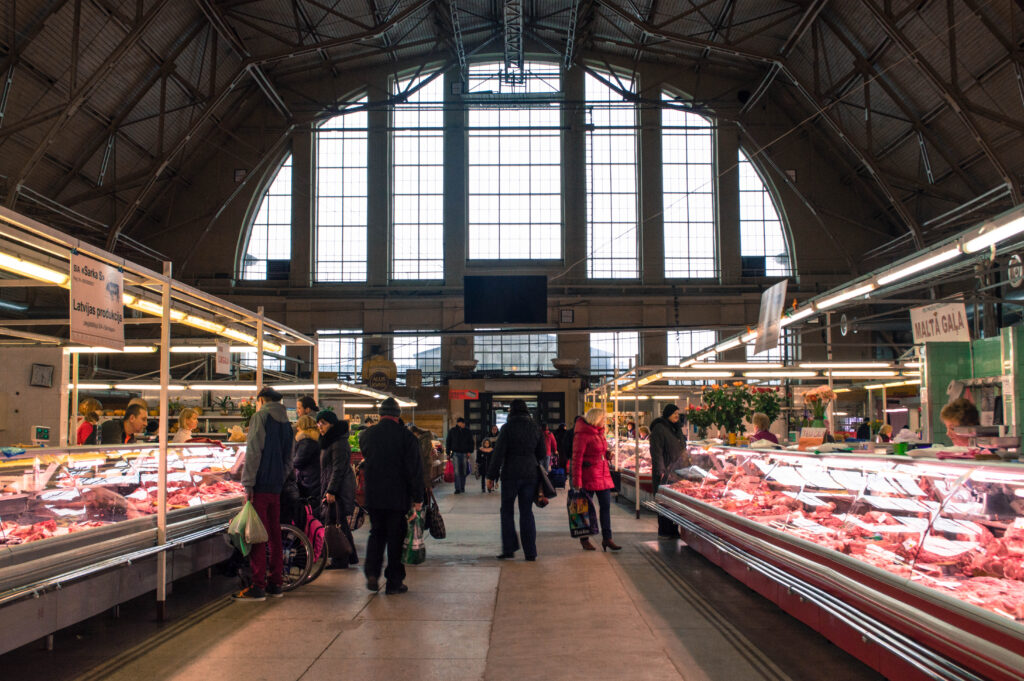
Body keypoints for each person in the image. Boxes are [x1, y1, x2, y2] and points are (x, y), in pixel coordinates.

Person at [359, 398, 424, 595]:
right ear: (398, 415)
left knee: (376, 533)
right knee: (396, 538)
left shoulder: (366, 435)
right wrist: (418, 498)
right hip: (397, 497)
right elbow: (415, 470)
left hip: (374, 495)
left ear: (380, 414)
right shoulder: (407, 438)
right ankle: (394, 582)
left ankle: (372, 573)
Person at [234, 386, 293, 601]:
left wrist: (248, 484)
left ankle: (258, 585)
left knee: (257, 535)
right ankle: (275, 583)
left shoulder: (260, 418)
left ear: (261, 400)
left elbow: (253, 452)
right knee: (275, 535)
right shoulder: (287, 424)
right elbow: (289, 458)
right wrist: (279, 478)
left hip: (259, 486)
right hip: (276, 487)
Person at [487, 399, 546, 561]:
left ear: (511, 411)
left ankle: (509, 548)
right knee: (527, 511)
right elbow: (542, 453)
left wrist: (491, 476)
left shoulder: (507, 428)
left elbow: (498, 453)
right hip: (530, 474)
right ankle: (530, 552)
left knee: (506, 511)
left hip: (510, 474)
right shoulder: (535, 428)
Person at [571, 408, 620, 552]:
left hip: (603, 475)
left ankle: (607, 538)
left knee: (605, 507)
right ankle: (584, 538)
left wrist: (607, 453)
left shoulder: (600, 433)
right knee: (583, 509)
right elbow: (577, 459)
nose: (605, 421)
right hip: (588, 476)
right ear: (596, 418)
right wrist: (577, 481)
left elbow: (600, 450)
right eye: (603, 418)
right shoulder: (582, 435)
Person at [317, 410, 358, 569]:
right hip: (333, 486)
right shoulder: (330, 441)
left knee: (336, 523)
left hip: (338, 489)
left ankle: (341, 558)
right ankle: (345, 557)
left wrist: (331, 490)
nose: (320, 426)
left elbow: (338, 468)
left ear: (332, 424)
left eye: (324, 423)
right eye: (318, 423)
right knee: (338, 523)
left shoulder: (338, 442)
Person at [649, 404, 687, 539]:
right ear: (667, 414)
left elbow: (682, 448)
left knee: (674, 502)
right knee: (663, 501)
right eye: (674, 413)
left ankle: (673, 529)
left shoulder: (677, 429)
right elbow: (656, 451)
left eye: (678, 413)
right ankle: (664, 529)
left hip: (677, 471)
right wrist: (661, 470)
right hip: (664, 470)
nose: (677, 416)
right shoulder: (659, 428)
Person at [293, 414, 321, 499]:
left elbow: (298, 462)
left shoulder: (306, 441)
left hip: (308, 479)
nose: (297, 429)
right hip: (315, 477)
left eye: (298, 426)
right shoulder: (315, 439)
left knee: (309, 504)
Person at [445, 417, 475, 494]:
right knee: (457, 471)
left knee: (463, 471)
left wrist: (469, 451)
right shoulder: (452, 431)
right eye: (463, 423)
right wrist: (448, 453)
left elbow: (471, 442)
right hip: (455, 453)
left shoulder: (468, 431)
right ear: (459, 423)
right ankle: (457, 488)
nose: (464, 424)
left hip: (465, 453)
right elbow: (448, 442)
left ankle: (462, 487)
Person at [409, 424, 436, 493]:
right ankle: (425, 500)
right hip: (423, 462)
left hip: (425, 463)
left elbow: (424, 452)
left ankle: (426, 501)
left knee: (425, 484)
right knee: (423, 483)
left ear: (416, 432)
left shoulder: (425, 438)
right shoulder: (422, 438)